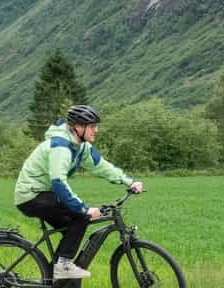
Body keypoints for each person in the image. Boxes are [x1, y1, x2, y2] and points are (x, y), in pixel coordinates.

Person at [14, 105, 143, 279]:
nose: (95, 130)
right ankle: (63, 267)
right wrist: (83, 208)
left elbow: (102, 166)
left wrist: (129, 181)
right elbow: (58, 182)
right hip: (31, 196)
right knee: (81, 216)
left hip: (44, 194)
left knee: (72, 228)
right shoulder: (61, 146)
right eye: (92, 126)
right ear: (78, 127)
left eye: (96, 126)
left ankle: (54, 280)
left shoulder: (81, 147)